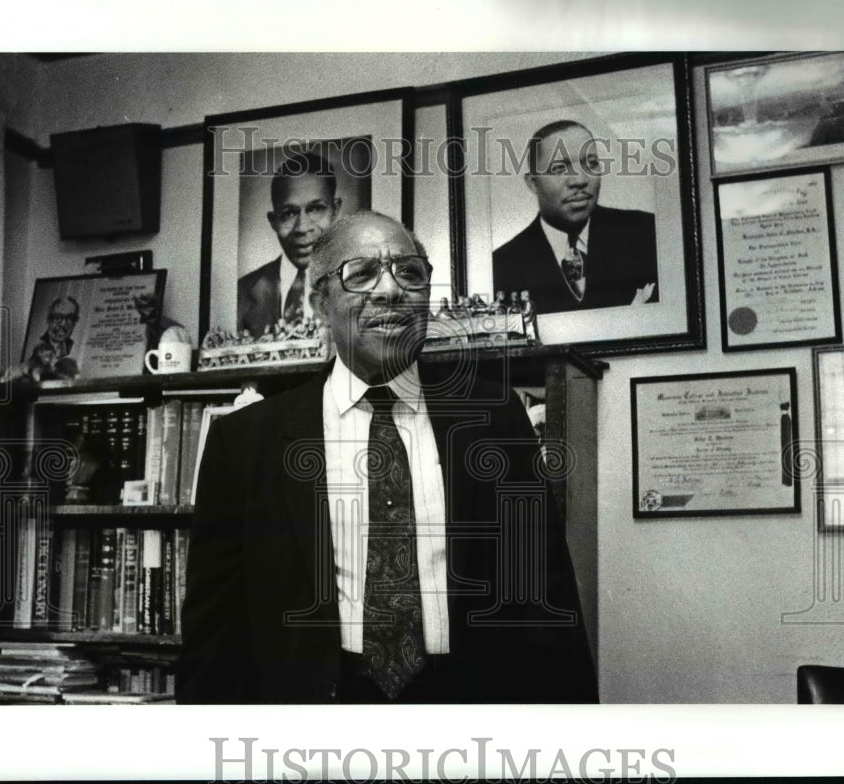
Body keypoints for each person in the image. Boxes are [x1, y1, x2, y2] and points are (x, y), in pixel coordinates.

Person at [178, 211, 597, 704]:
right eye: (361, 275)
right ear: (320, 302)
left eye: (411, 273)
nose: (391, 290)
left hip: (468, 715)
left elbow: (545, 600)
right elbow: (215, 632)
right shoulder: (246, 441)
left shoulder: (495, 419)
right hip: (313, 723)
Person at [493, 119, 659, 315]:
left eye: (591, 164)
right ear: (533, 183)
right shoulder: (502, 266)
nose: (580, 180)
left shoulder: (648, 233)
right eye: (560, 168)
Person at [237, 152, 342, 337]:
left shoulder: (361, 285)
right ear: (273, 221)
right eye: (289, 213)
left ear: (335, 210)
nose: (302, 228)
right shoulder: (241, 292)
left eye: (316, 209)